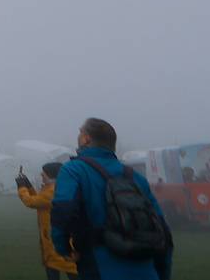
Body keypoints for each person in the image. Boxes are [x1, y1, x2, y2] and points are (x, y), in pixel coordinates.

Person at [51, 117, 173, 280]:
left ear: (86, 138)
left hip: (99, 265)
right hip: (146, 268)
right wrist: (162, 272)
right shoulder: (135, 177)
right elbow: (163, 230)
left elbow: (62, 211)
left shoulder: (73, 170)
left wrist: (63, 248)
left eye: (80, 132)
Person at [16, 163, 78, 279]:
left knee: (66, 267)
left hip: (54, 237)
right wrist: (28, 186)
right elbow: (40, 200)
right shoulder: (55, 188)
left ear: (51, 175)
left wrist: (21, 187)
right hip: (55, 235)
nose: (41, 174)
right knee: (63, 266)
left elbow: (31, 202)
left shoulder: (52, 191)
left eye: (43, 173)